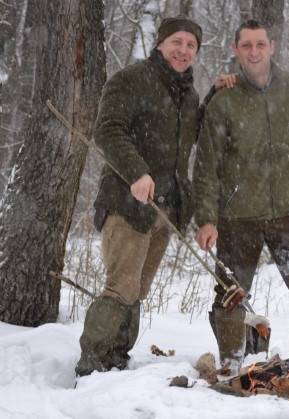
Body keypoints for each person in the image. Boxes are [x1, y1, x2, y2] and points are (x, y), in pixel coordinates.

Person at [193, 20, 289, 374]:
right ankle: (231, 367)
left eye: (260, 44)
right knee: (230, 296)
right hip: (237, 217)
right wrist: (207, 219)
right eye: (246, 45)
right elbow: (207, 164)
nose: (254, 52)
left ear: (272, 46)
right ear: (235, 49)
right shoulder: (225, 100)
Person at [75, 16, 204, 377]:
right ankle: (92, 366)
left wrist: (217, 94)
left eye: (191, 45)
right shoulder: (131, 79)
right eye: (177, 42)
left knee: (139, 289)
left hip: (165, 209)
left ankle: (117, 359)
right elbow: (108, 130)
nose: (183, 51)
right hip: (127, 202)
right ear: (160, 43)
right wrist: (136, 172)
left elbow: (189, 139)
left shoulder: (189, 95)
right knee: (122, 287)